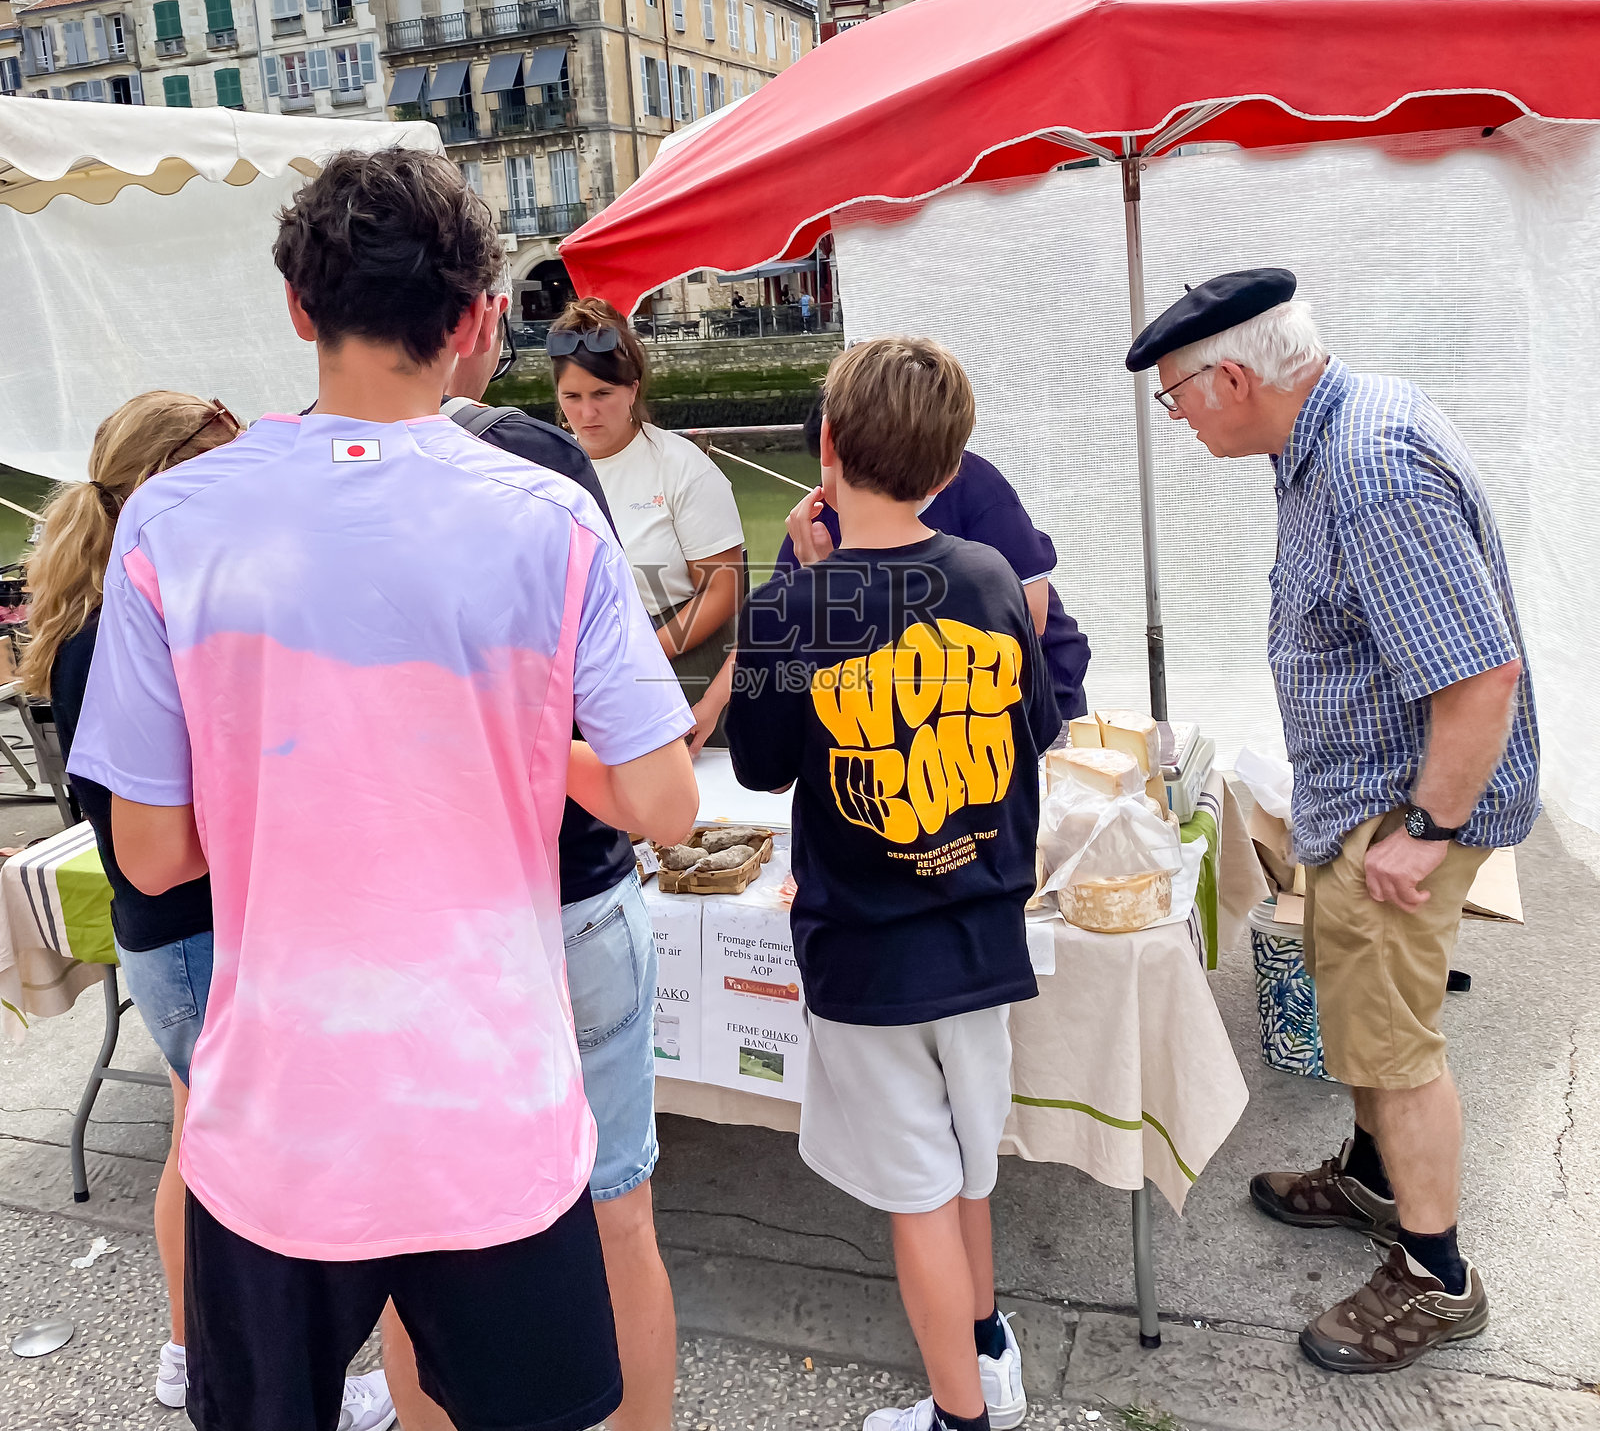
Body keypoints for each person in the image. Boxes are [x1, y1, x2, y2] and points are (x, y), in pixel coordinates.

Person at [68, 147, 699, 1431]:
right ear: (475, 322)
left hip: (277, 1123)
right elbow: (664, 802)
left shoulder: (172, 520)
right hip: (492, 1113)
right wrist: (517, 749)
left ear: (299, 310)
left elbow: (150, 854)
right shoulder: (551, 517)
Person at [1129, 268, 1539, 1374]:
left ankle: (1435, 1275)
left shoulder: (1366, 471)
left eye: (1175, 397)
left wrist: (1424, 826)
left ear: (1228, 377)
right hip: (1361, 798)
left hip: (1398, 815)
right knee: (1360, 1017)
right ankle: (1369, 1176)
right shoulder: (1325, 435)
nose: (1177, 419)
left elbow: (1480, 678)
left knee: (1395, 1046)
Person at [19, 392, 397, 1431]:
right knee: (225, 1161)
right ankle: (216, 1362)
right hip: (190, 930)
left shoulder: (110, 609)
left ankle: (195, 1355)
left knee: (205, 1145)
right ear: (159, 483)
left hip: (174, 931)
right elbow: (162, 829)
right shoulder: (119, 632)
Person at [726, 337, 1059, 1431]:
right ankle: (987, 1348)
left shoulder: (798, 604)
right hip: (982, 934)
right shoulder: (991, 576)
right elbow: (1034, 731)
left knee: (917, 1193)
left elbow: (759, 760)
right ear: (951, 466)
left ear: (823, 447)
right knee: (967, 1165)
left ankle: (963, 1415)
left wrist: (794, 580)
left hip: (868, 949)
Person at [436, 298, 679, 1431]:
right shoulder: (532, 468)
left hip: (444, 911)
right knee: (615, 1207)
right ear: (479, 321)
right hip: (571, 894)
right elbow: (659, 790)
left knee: (429, 1233)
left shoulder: (296, 487)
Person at [774, 393, 1091, 728]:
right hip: (910, 718)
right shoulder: (815, 523)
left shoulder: (977, 490)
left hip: (1027, 700)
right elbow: (771, 637)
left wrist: (829, 586)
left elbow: (1029, 620)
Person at [548, 297, 745, 744]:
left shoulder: (681, 467)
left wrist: (641, 655)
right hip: (582, 675)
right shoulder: (547, 469)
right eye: (572, 397)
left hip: (679, 661)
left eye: (602, 394)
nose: (587, 413)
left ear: (632, 390)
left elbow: (724, 587)